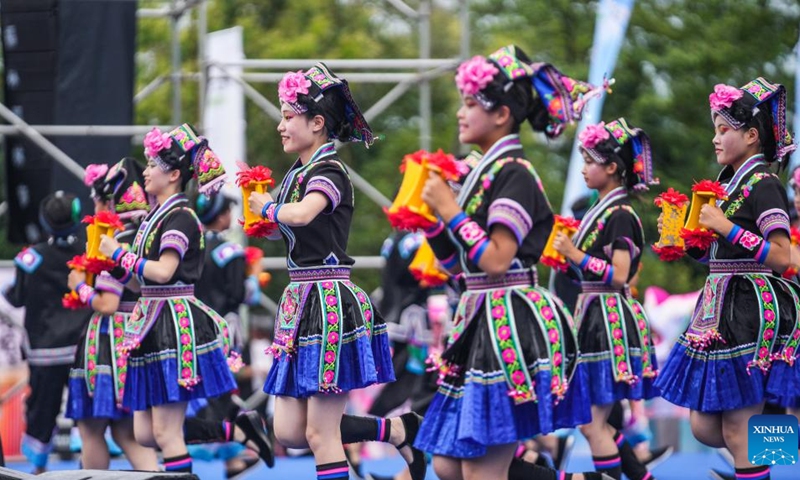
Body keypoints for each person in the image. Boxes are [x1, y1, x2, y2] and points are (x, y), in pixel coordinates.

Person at [413, 44, 606, 480]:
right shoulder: (484, 175)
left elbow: (498, 259)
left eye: (469, 104)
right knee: (448, 464)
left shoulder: (515, 173)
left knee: (751, 415)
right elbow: (460, 268)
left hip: (510, 322)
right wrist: (430, 224)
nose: (460, 114)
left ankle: (780, 461)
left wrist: (451, 212)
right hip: (481, 317)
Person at [246, 63, 403, 480]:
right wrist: (264, 219)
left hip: (327, 302)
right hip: (300, 301)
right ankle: (396, 429)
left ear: (317, 123)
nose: (280, 126)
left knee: (319, 433)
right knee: (289, 430)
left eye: (287, 116)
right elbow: (291, 225)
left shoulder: (329, 170)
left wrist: (270, 209)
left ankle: (392, 433)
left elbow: (303, 214)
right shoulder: (298, 173)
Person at [655, 78, 800, 480]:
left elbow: (781, 256)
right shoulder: (724, 185)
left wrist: (725, 226)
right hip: (718, 307)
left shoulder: (765, 184)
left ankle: (766, 457)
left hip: (749, 308)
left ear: (752, 136)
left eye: (724, 130)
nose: (715, 139)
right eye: (715, 129)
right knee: (706, 426)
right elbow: (714, 254)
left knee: (738, 429)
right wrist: (685, 236)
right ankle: (777, 440)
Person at [98, 124, 240, 474]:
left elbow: (163, 271)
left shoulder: (181, 216)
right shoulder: (153, 218)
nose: (144, 171)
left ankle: (235, 433)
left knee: (164, 431)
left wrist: (119, 255)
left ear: (174, 174)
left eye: (152, 164)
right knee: (144, 433)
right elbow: (139, 283)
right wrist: (113, 269)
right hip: (151, 318)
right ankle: (236, 431)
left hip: (172, 322)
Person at [552, 118, 660, 480]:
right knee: (599, 422)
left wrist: (576, 255)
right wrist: (568, 261)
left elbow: (619, 274)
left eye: (590, 161)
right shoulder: (602, 210)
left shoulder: (620, 214)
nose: (583, 169)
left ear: (612, 168)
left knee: (594, 423)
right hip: (594, 316)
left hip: (608, 320)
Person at [65, 158, 160, 471]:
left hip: (111, 339)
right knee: (127, 432)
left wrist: (80, 287)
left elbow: (107, 303)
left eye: (100, 195)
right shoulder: (147, 230)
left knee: (91, 427)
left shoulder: (116, 238)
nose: (95, 202)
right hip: (137, 330)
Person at [3, 191, 91, 473]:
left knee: (42, 412)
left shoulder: (31, 258)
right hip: (83, 348)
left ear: (44, 220)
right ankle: (90, 466)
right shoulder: (90, 254)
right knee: (88, 412)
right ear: (77, 218)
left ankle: (39, 471)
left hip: (45, 350)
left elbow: (16, 297)